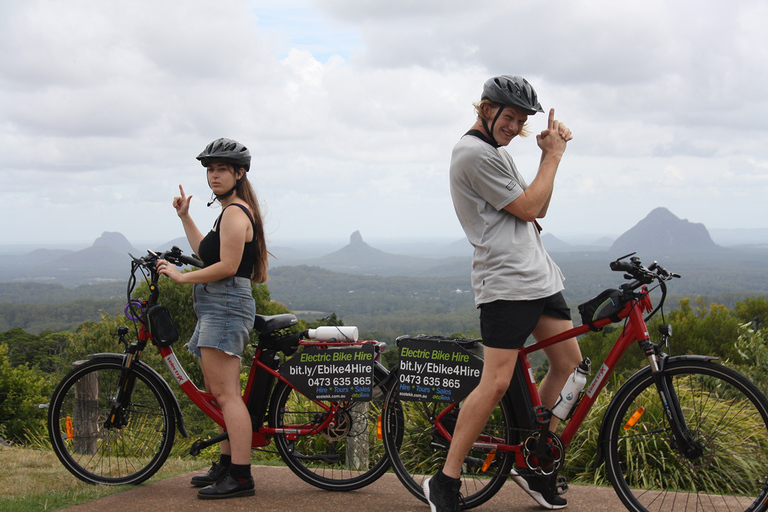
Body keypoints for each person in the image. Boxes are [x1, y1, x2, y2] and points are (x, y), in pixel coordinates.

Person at [423, 76, 582, 512]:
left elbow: (537, 205)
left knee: (570, 368)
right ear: (486, 108)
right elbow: (531, 207)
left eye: (522, 120)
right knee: (494, 382)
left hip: (539, 276)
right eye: (509, 116)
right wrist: (552, 155)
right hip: (507, 282)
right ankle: (445, 480)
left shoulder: (496, 152)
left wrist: (551, 161)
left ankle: (534, 461)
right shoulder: (473, 153)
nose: (515, 126)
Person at [157, 137, 269, 500]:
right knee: (221, 394)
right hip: (217, 305)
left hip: (225, 304)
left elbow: (227, 266)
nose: (214, 174)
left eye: (222, 169)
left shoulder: (236, 212)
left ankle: (240, 476)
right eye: (210, 169)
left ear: (239, 173)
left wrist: (179, 276)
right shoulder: (229, 211)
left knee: (227, 394)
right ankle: (226, 464)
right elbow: (206, 251)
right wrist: (185, 216)